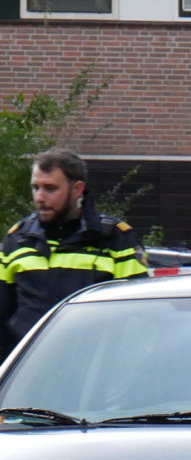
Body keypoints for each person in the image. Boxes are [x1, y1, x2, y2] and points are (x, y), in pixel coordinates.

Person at [0, 149, 146, 357]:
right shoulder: (18, 240)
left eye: (50, 189)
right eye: (35, 188)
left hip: (92, 370)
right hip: (29, 372)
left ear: (77, 189)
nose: (40, 197)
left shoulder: (116, 240)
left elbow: (139, 317)